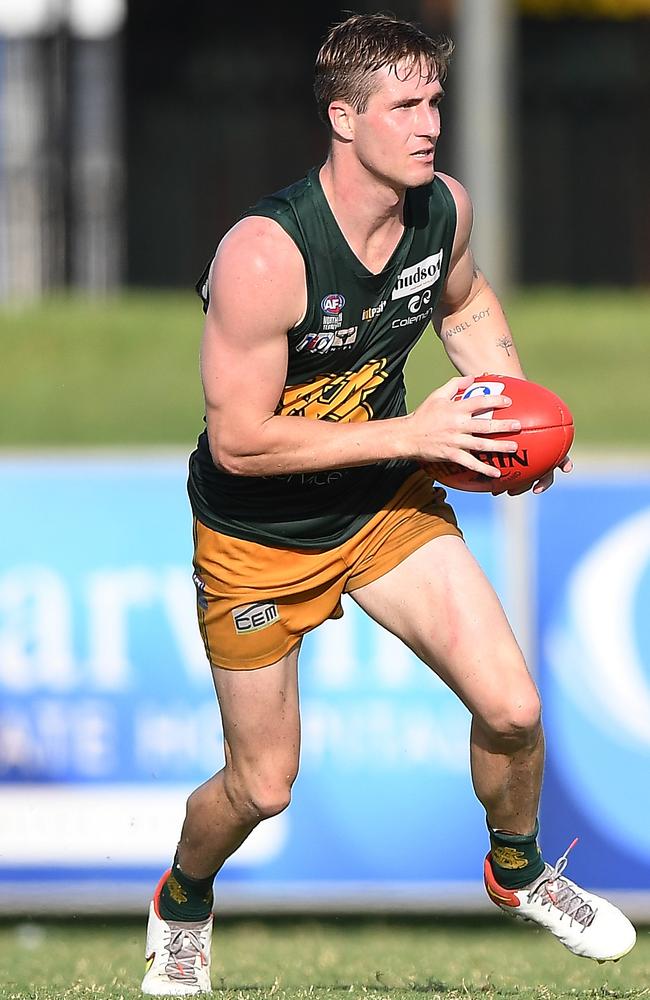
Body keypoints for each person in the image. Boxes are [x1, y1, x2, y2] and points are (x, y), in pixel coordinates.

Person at [141, 13, 636, 996]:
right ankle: (184, 896)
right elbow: (239, 443)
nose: (427, 123)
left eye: (434, 101)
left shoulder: (440, 210)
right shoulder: (263, 256)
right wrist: (414, 434)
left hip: (382, 506)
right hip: (258, 537)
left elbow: (459, 303)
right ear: (341, 118)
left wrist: (502, 420)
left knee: (513, 707)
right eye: (402, 105)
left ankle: (516, 868)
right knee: (261, 784)